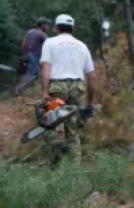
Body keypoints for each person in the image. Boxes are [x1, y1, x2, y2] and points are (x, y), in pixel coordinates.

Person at [39, 14, 96, 162]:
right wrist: (90, 102)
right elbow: (91, 76)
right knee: (73, 130)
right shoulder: (82, 46)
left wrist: (45, 92)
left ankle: (54, 163)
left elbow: (45, 69)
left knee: (51, 125)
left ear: (56, 28)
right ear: (73, 29)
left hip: (57, 86)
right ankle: (73, 168)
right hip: (78, 88)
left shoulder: (50, 43)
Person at [15, 17, 51, 95]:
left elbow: (23, 44)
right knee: (31, 74)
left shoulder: (29, 32)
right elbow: (49, 45)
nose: (48, 27)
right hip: (34, 56)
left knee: (37, 74)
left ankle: (29, 93)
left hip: (27, 55)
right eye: (47, 25)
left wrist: (24, 55)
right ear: (42, 25)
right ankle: (19, 91)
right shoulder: (42, 34)